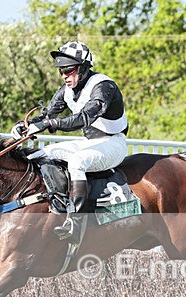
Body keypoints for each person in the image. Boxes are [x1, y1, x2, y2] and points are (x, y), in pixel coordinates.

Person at [12, 40, 129, 240]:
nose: (64, 76)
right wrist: (25, 125)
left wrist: (50, 125)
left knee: (77, 162)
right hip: (90, 143)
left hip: (113, 144)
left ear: (83, 69)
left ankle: (77, 222)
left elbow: (85, 117)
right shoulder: (66, 90)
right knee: (41, 154)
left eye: (68, 70)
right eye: (61, 71)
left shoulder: (103, 86)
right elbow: (47, 114)